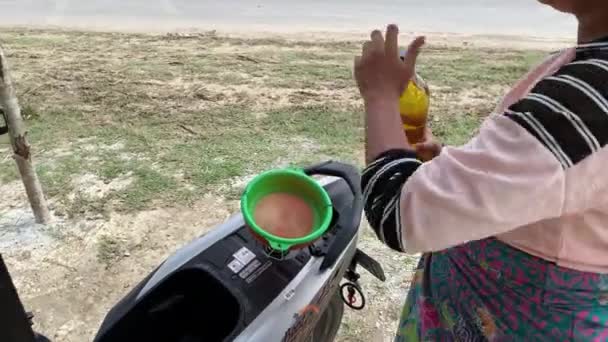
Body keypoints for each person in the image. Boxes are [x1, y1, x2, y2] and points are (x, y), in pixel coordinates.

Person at [354, 1, 608, 340]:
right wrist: (467, 174)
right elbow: (569, 182)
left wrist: (380, 95)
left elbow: (395, 212)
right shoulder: (583, 65)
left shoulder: (591, 94)